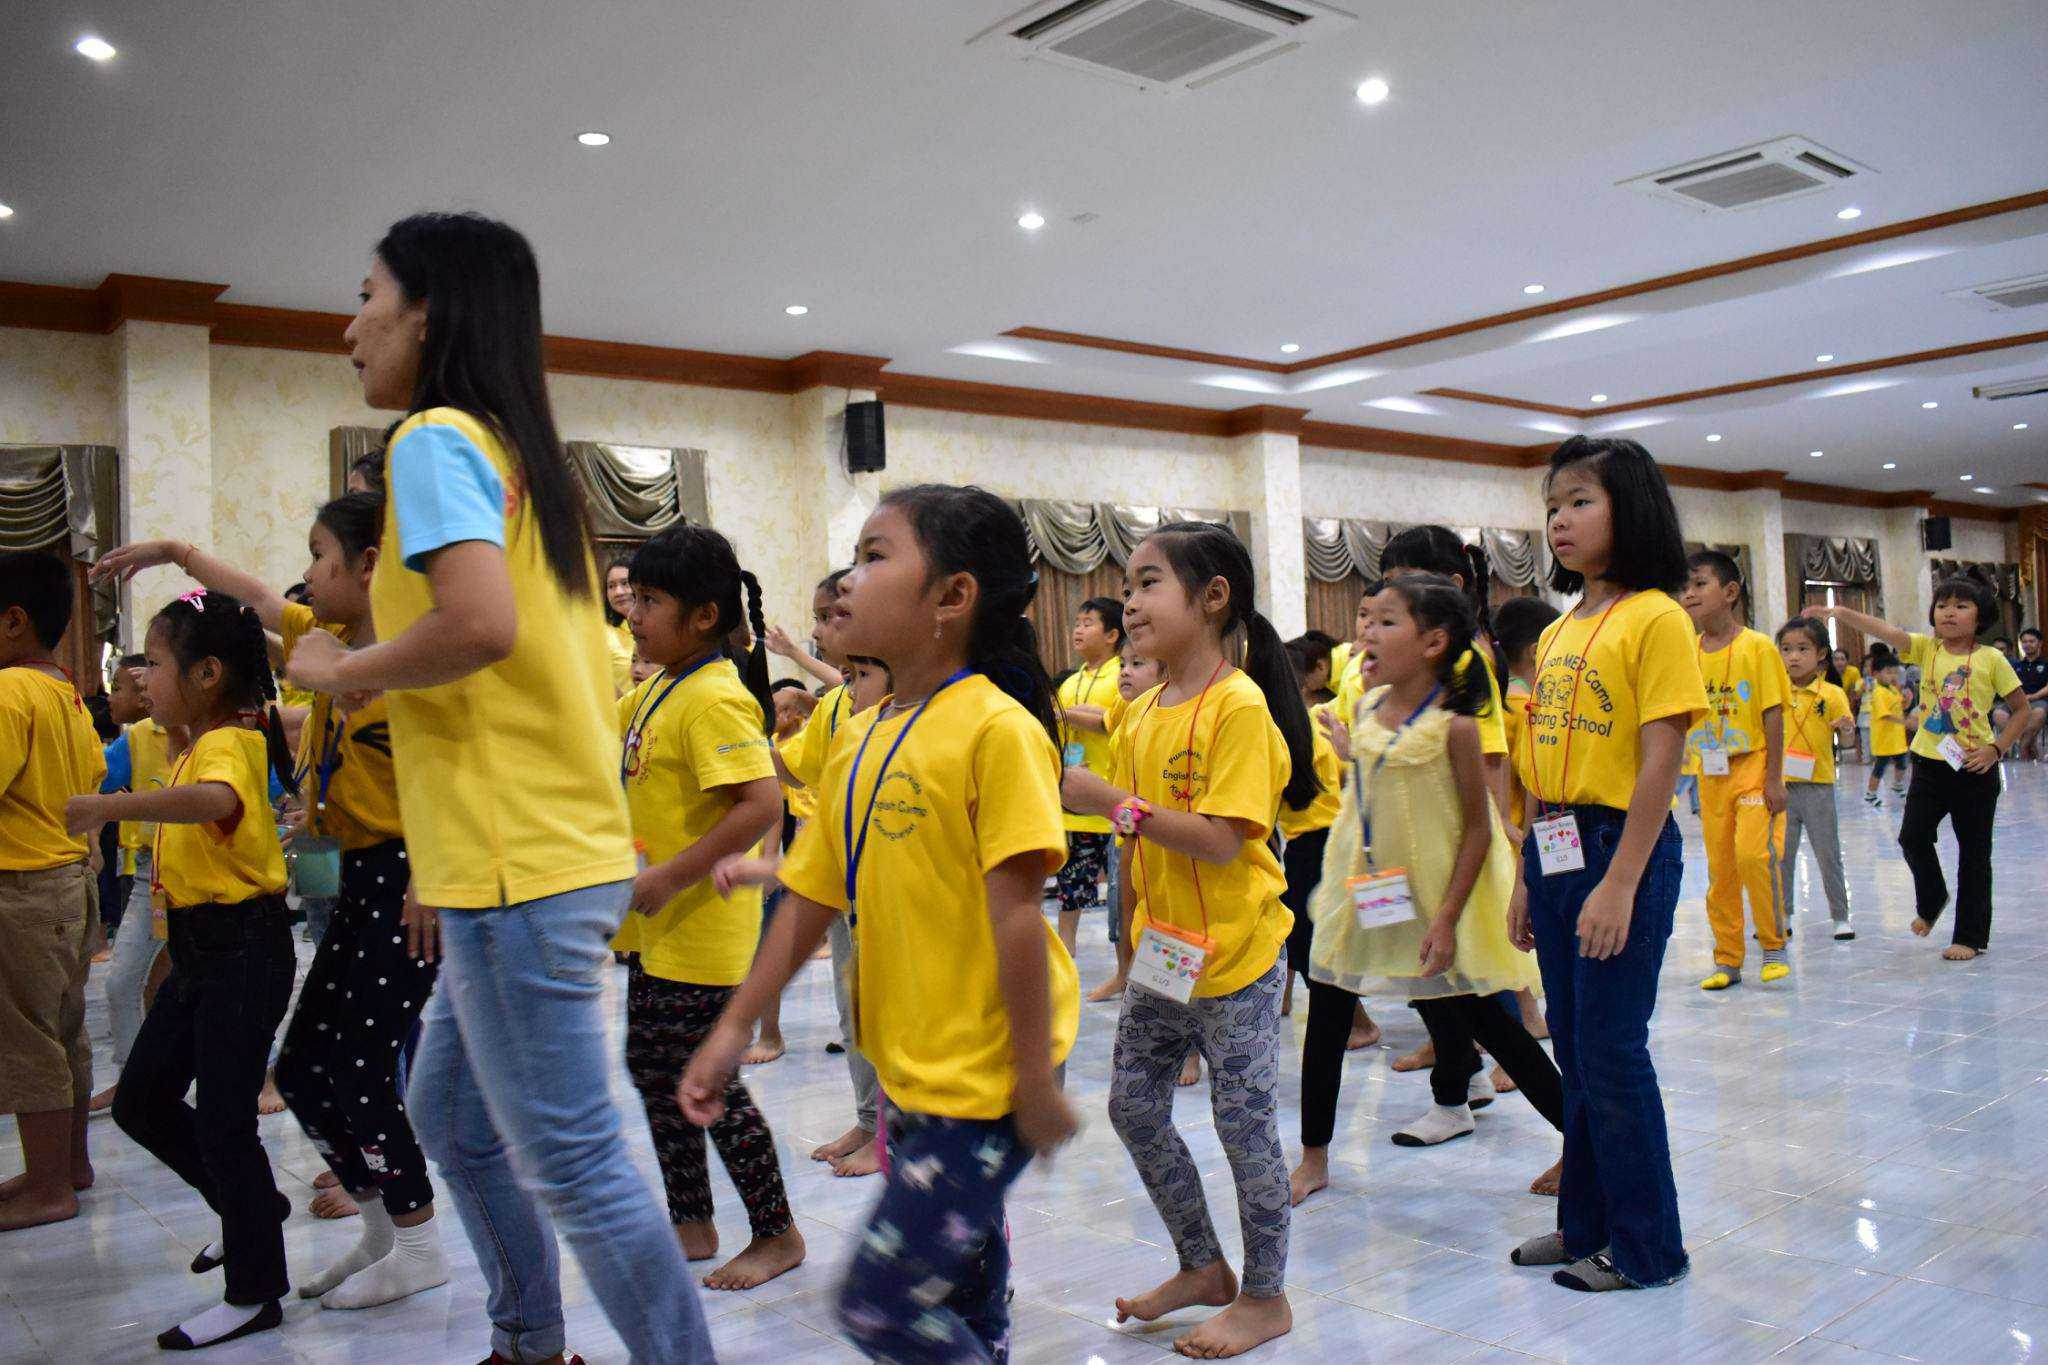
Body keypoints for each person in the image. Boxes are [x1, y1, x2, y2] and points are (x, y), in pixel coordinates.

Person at [285, 210, 712, 1363]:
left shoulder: (433, 438)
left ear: (428, 312)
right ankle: (530, 1340)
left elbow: (476, 628)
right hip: (521, 852)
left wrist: (337, 672)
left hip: (519, 861)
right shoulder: (523, 462)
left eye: (366, 295)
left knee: (573, 1160)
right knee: (449, 1117)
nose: (349, 326)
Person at [681, 483, 1081, 1363]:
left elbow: (1019, 917)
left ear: (951, 596)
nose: (848, 581)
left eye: (874, 556)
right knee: (964, 1277)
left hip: (991, 1076)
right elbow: (809, 899)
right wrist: (734, 1027)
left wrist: (1033, 1082)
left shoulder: (997, 730)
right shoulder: (863, 736)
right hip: (916, 1063)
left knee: (879, 1303)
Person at [97, 491, 455, 1311]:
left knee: (361, 1064)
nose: (307, 573)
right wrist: (175, 553)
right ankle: (381, 1225)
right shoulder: (326, 644)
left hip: (408, 877)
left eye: (321, 555)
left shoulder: (416, 664)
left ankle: (421, 1239)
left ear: (369, 565)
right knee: (299, 1068)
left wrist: (432, 877)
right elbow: (256, 597)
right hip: (348, 871)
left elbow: (453, 778)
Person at [1061, 520, 1312, 1358]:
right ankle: (1203, 1265)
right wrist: (1132, 944)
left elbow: (1221, 839)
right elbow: (1138, 846)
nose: (1130, 603)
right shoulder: (1138, 714)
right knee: (1133, 1106)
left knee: (1244, 1128)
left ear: (1212, 598)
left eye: (1148, 583)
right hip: (1166, 956)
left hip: (1238, 958)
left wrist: (1110, 802)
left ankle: (1266, 1296)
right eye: (1126, 586)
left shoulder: (1239, 707)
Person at [66, 591, 297, 1348]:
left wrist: (113, 807)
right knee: (141, 1101)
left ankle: (255, 1291)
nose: (143, 677)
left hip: (244, 948)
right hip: (203, 949)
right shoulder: (196, 740)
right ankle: (249, 1207)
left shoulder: (231, 740)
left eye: (157, 664)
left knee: (227, 1122)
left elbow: (214, 802)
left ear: (206, 673)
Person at [1507, 436, 1703, 1294]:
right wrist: (1526, 873)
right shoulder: (1558, 629)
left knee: (1614, 1049)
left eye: (1581, 500)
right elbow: (1539, 763)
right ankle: (1583, 1225)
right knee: (1578, 1048)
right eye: (1554, 505)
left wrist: (1620, 880)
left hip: (1621, 844)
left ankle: (1649, 1248)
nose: (1561, 519)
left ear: (1633, 509)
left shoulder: (1658, 616)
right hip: (1553, 845)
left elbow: (1663, 755)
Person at [1301, 577, 1560, 1180]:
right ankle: (1313, 1159)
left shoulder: (1456, 727)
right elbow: (1376, 782)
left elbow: (1476, 830)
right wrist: (1348, 750)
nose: (1367, 631)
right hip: (1363, 885)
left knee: (1487, 1020)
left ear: (1434, 642)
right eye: (1367, 619)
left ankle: (1583, 1140)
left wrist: (1445, 919)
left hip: (1434, 893)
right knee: (1328, 1009)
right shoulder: (1366, 705)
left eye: (1386, 621)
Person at [611, 525, 803, 1291]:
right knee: (651, 1065)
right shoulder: (661, 685)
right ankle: (691, 1220)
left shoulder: (716, 695)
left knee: (703, 1083)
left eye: (649, 600)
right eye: (632, 597)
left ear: (702, 616)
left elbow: (760, 802)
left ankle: (777, 1231)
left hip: (701, 925)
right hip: (658, 927)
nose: (633, 613)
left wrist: (672, 874)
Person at [1820, 581, 2028, 960]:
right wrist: (1840, 613)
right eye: (1943, 605)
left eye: (1961, 606)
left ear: (1980, 617)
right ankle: (1932, 898)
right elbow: (1886, 631)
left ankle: (1969, 937)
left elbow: (2022, 710)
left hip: (1974, 768)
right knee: (1913, 837)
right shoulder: (1926, 649)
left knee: (1974, 854)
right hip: (1929, 765)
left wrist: (1996, 749)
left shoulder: (1992, 659)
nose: (1949, 612)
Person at [0, 551, 106, 1234]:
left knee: (26, 1036)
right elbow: (90, 778)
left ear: (13, 621)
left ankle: (47, 1188)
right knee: (65, 1031)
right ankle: (68, 1166)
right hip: (69, 884)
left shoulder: (8, 691)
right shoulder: (65, 692)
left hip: (23, 890)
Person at [772, 567, 888, 1174]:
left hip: (888, 886)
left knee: (888, 1008)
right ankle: (869, 1119)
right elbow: (798, 766)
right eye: (817, 619)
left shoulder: (901, 699)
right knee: (852, 1007)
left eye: (831, 617)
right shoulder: (839, 702)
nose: (819, 632)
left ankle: (892, 1131)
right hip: (843, 883)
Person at [1680, 551, 1789, 990]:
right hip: (1709, 774)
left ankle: (1773, 945)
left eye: (1699, 584)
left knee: (1753, 856)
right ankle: (1727, 959)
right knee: (1720, 869)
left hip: (1753, 765)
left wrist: (1774, 777)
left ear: (1729, 592)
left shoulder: (1758, 647)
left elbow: (1773, 713)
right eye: (1684, 587)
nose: (1689, 594)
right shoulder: (1686, 651)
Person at [90, 653, 173, 1114]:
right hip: (150, 874)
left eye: (119, 687)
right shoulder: (137, 738)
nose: (112, 697)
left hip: (212, 876)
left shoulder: (215, 734)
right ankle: (132, 1078)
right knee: (124, 980)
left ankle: (266, 1073)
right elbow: (94, 778)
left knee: (215, 980)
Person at [1054, 597, 1124, 976]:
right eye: (1077, 623)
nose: (1078, 630)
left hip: (1113, 802)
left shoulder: (1121, 675)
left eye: (1088, 623)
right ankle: (1064, 953)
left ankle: (1123, 971)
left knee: (1122, 895)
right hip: (1074, 806)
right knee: (1070, 888)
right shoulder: (1071, 682)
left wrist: (1067, 715)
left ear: (1112, 634)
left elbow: (1113, 722)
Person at [1775, 618, 1855, 941]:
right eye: (1786, 649)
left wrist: (1846, 730)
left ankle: (1841, 916)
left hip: (1818, 784)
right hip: (1780, 785)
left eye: (1802, 649)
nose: (1793, 657)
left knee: (1827, 853)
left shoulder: (1832, 694)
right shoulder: (1775, 690)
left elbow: (1847, 742)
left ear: (1821, 653)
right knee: (1781, 855)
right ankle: (1782, 914)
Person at [1863, 652, 1911, 803]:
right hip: (1884, 738)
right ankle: (1870, 794)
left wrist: (1908, 700)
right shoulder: (1878, 692)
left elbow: (1900, 707)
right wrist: (1905, 722)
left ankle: (1897, 785)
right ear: (1876, 674)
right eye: (1888, 672)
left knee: (1902, 762)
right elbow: (1884, 715)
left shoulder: (1892, 689)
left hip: (1896, 737)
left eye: (1895, 672)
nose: (1893, 676)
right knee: (1880, 767)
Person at [602, 554, 637, 697]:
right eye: (611, 586)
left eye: (625, 583)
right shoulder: (600, 633)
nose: (618, 592)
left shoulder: (661, 628)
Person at [2014, 627, 2048, 760]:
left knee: (2038, 712)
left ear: (2040, 643)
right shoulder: (2016, 665)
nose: (2027, 644)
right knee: (1999, 714)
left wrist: (2032, 696)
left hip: (2038, 700)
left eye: (2031, 641)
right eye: (2024, 642)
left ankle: (2023, 745)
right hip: (2017, 701)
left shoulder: (2046, 664)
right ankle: (2028, 742)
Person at [1834, 649, 1864, 759]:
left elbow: (1855, 692)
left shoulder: (1853, 672)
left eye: (1842, 659)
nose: (1839, 662)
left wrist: (1850, 710)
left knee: (1853, 722)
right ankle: (1835, 754)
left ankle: (1859, 754)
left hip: (1850, 702)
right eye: (1836, 659)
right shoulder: (1828, 673)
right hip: (1833, 703)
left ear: (1847, 661)